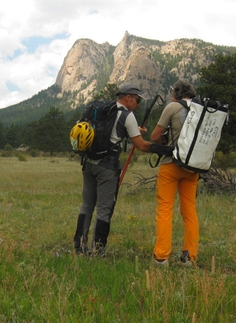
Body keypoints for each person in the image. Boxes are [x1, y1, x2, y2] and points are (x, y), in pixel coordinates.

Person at [73, 83, 153, 256]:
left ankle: (79, 247)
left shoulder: (100, 109)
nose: (138, 104)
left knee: (87, 205)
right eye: (137, 100)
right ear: (128, 98)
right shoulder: (127, 115)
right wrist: (163, 148)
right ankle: (97, 250)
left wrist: (134, 131)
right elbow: (140, 145)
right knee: (104, 208)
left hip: (89, 163)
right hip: (107, 167)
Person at [150, 80, 199, 267]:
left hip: (171, 164)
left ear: (175, 94)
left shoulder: (172, 107)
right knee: (189, 211)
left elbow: (155, 136)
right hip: (193, 167)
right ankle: (190, 257)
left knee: (165, 209)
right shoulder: (201, 110)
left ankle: (161, 257)